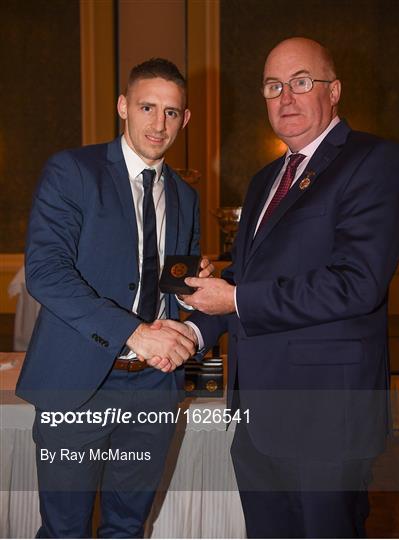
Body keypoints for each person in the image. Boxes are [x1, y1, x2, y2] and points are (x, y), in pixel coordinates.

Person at [179, 37, 399, 538]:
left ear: (334, 91)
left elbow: (357, 285)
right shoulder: (266, 180)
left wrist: (235, 298)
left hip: (326, 419)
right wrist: (194, 327)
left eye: (301, 82)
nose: (285, 97)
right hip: (256, 416)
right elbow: (246, 279)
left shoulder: (373, 161)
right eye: (272, 86)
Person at [16, 58, 212, 538]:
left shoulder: (185, 197)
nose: (158, 123)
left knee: (127, 528)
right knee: (65, 531)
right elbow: (45, 272)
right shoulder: (73, 171)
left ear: (185, 119)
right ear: (123, 106)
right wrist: (135, 333)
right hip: (79, 384)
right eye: (147, 107)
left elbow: (169, 288)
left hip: (152, 390)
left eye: (171, 112)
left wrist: (194, 290)